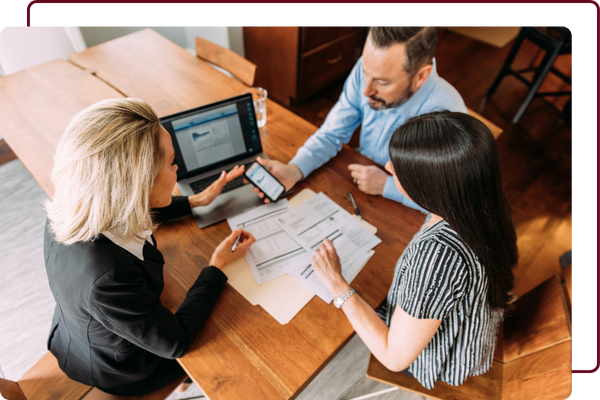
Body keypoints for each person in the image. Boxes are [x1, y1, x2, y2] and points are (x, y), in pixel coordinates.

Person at [43, 98, 255, 396]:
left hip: (78, 331)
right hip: (124, 368)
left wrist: (195, 201)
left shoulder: (72, 205)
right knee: (236, 359)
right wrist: (215, 267)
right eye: (170, 163)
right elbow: (175, 342)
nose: (177, 167)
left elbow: (129, 208)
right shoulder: (109, 278)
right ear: (137, 185)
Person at [310, 111, 518, 390]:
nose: (387, 167)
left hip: (443, 359)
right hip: (473, 324)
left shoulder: (437, 258)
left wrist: (338, 285)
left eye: (400, 168)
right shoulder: (478, 201)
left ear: (429, 187)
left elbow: (393, 357)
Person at [249, 24, 467, 212]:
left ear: (421, 76)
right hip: (357, 189)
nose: (366, 90)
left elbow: (450, 200)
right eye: (365, 72)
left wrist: (387, 186)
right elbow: (332, 133)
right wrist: (295, 169)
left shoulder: (449, 116)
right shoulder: (370, 70)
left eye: (382, 82)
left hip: (406, 213)